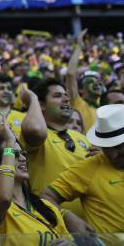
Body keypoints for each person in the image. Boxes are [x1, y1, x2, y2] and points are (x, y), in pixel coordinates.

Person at [41, 103, 124, 246]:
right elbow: (44, 197)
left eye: (118, 146)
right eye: (106, 147)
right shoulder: (88, 168)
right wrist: (66, 216)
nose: (112, 154)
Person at [21, 79, 94, 216]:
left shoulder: (83, 138)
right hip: (51, 225)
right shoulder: (40, 136)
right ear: (41, 105)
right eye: (57, 96)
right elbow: (35, 128)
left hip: (88, 227)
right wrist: (33, 99)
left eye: (66, 95)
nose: (66, 99)